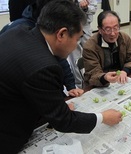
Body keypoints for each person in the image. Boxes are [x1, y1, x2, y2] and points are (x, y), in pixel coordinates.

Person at [0, 0, 122, 153]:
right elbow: (63, 121)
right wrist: (103, 117)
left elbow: (28, 87)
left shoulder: (20, 30)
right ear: (62, 34)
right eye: (77, 39)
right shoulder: (43, 66)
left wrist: (55, 105)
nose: (76, 45)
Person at [1, 0, 84, 97]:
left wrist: (71, 86)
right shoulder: (25, 31)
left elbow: (59, 56)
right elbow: (40, 80)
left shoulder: (43, 30)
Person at [83, 10, 131, 87]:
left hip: (120, 81)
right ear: (100, 30)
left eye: (116, 28)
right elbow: (93, 74)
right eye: (108, 29)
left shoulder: (124, 38)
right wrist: (105, 77)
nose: (113, 33)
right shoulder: (90, 46)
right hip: (100, 84)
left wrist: (125, 71)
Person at [67, 0, 97, 88]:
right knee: (74, 60)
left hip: (86, 26)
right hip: (71, 27)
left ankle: (93, 78)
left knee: (91, 54)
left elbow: (94, 8)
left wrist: (85, 8)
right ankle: (78, 85)